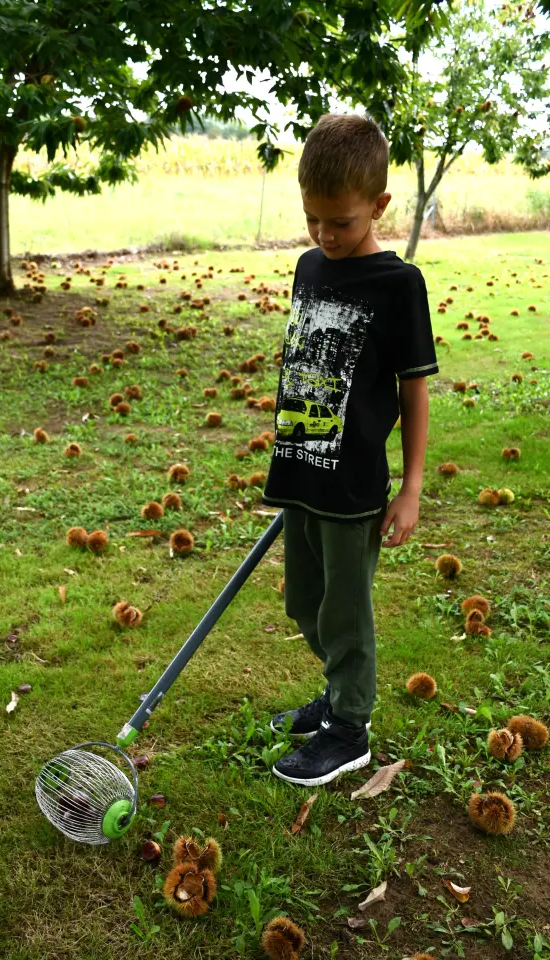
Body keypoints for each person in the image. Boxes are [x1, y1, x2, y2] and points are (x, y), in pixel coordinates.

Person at [261, 113, 439, 787]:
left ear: (380, 206)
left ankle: (350, 728)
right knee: (304, 603)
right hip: (300, 470)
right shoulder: (310, 267)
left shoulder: (399, 286)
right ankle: (338, 695)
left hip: (353, 482)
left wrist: (413, 488)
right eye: (314, 219)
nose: (325, 236)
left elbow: (414, 389)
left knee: (346, 610)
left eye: (343, 223)